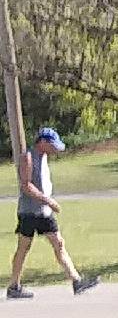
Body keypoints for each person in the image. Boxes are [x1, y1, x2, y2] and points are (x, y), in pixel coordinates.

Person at [10, 126, 99, 299]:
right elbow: (26, 185)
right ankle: (14, 286)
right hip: (29, 212)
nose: (54, 150)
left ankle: (76, 280)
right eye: (52, 145)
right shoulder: (28, 158)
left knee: (58, 243)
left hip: (44, 212)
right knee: (23, 248)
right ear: (42, 142)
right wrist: (48, 201)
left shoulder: (44, 158)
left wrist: (47, 204)